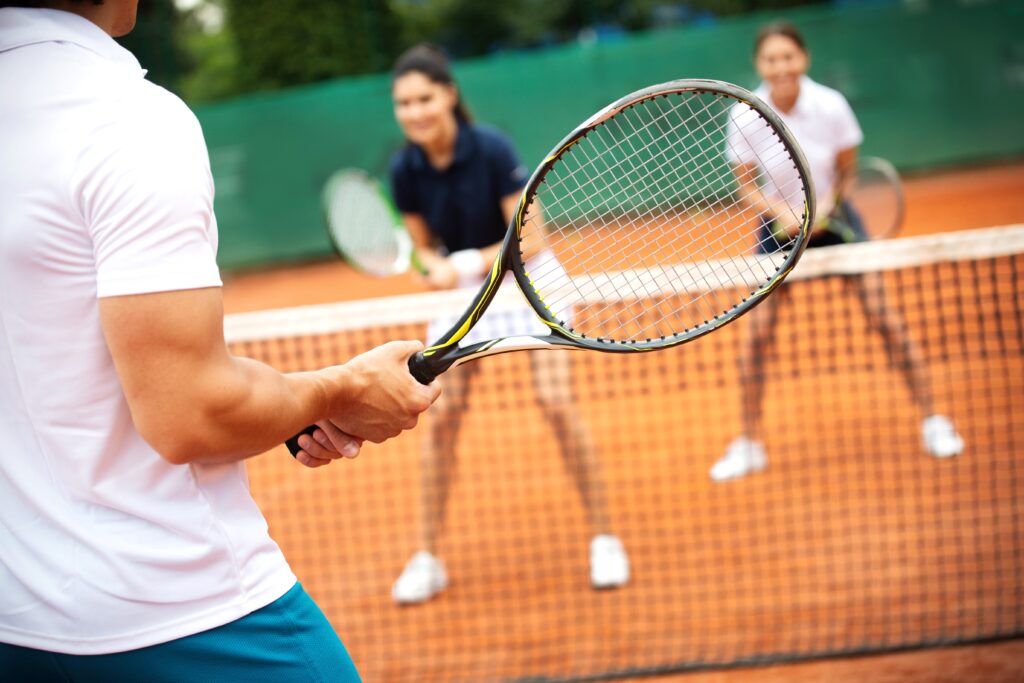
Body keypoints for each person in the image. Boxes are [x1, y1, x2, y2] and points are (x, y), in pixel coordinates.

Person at [0, 2, 440, 680]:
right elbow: (192, 411)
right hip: (178, 619)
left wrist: (298, 402)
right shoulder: (124, 119)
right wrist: (345, 387)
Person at [386, 44, 630, 604]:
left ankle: (604, 538)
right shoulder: (405, 169)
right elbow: (423, 249)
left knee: (555, 402)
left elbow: (533, 236)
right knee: (440, 421)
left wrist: (465, 263)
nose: (415, 111)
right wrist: (430, 269)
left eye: (424, 97)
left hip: (530, 279)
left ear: (448, 94)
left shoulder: (491, 147)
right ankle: (427, 557)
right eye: (403, 103)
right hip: (467, 295)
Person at [710, 21, 964, 482]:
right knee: (757, 338)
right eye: (772, 59)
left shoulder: (831, 105)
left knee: (884, 317)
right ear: (759, 64)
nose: (781, 66)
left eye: (789, 56)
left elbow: (848, 171)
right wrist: (783, 212)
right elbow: (746, 187)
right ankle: (748, 443)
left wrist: (822, 207)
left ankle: (934, 419)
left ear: (803, 59)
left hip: (836, 219)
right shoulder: (746, 114)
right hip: (777, 227)